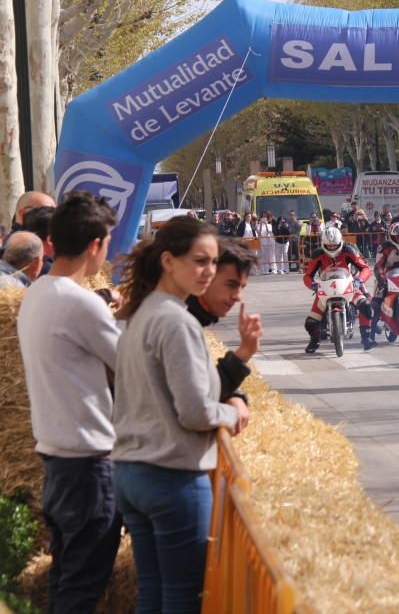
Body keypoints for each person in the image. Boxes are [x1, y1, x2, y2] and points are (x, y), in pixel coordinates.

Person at [112, 217, 248, 614]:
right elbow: (195, 412)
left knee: (153, 595)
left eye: (212, 262)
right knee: (182, 600)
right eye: (199, 261)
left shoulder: (140, 313)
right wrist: (233, 410)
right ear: (168, 261)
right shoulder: (175, 321)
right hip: (171, 477)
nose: (207, 271)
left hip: (132, 473)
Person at [17, 192, 122, 612]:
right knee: (82, 586)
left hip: (58, 461)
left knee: (67, 578)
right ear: (96, 244)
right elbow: (134, 365)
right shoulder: (79, 303)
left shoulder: (38, 293)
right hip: (88, 463)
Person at [185, 238, 262, 406]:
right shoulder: (178, 323)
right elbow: (195, 405)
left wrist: (234, 396)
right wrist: (230, 413)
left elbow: (203, 387)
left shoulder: (189, 317)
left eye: (242, 287)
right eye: (231, 285)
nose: (238, 296)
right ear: (207, 275)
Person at [302, 226, 376, 353]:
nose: (332, 248)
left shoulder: (349, 250)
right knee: (310, 323)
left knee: (366, 307)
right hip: (325, 288)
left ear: (340, 242)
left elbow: (365, 268)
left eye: (334, 245)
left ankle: (366, 337)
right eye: (328, 245)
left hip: (348, 285)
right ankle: (315, 341)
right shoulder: (318, 254)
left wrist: (359, 280)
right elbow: (307, 275)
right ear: (323, 244)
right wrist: (313, 285)